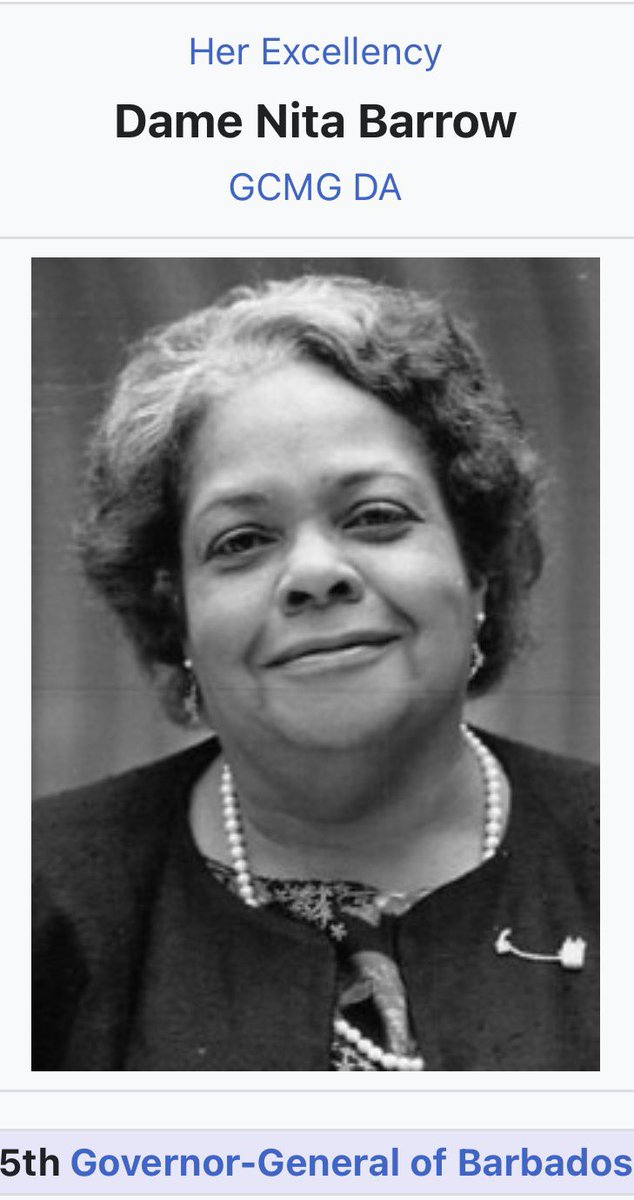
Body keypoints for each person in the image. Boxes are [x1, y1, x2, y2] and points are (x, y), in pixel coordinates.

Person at [32, 274, 598, 1072]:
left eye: (376, 517)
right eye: (241, 541)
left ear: (479, 571)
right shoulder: (37, 899)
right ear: (175, 612)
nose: (315, 574)